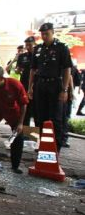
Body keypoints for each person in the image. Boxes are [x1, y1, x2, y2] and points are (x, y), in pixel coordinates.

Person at [28, 23, 72, 152]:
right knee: (40, 117)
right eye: (42, 34)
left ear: (53, 32)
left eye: (47, 34)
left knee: (56, 119)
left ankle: (55, 149)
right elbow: (32, 69)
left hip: (55, 85)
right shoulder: (38, 49)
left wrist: (64, 90)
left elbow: (67, 69)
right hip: (40, 85)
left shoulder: (61, 48)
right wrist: (30, 88)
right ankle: (43, 145)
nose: (44, 36)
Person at [16, 36, 36, 126]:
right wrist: (18, 70)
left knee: (35, 110)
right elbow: (18, 68)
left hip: (36, 85)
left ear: (34, 44)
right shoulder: (22, 56)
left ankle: (36, 133)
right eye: (27, 45)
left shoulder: (38, 55)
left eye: (30, 45)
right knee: (25, 108)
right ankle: (25, 131)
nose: (28, 47)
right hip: (24, 83)